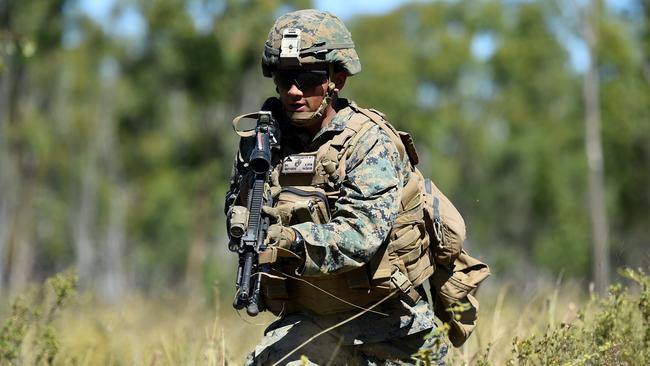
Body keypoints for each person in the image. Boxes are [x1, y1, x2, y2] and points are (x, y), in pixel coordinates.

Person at [225, 9, 448, 366]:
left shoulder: (368, 141)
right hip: (312, 324)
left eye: (309, 79)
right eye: (284, 79)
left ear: (337, 80)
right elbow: (241, 217)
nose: (294, 91)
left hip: (393, 328)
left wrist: (290, 240)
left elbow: (361, 236)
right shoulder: (263, 145)